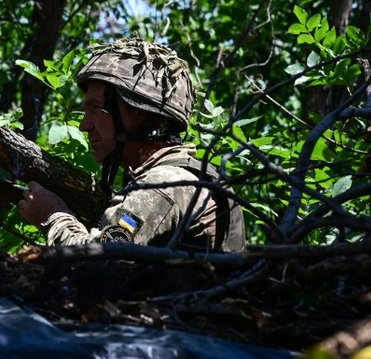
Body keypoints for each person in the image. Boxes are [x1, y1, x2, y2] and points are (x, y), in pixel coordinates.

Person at [18, 38, 246, 252]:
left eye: (96, 108)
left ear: (138, 112)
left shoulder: (163, 184)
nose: (85, 125)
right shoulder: (188, 177)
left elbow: (97, 261)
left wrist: (53, 216)